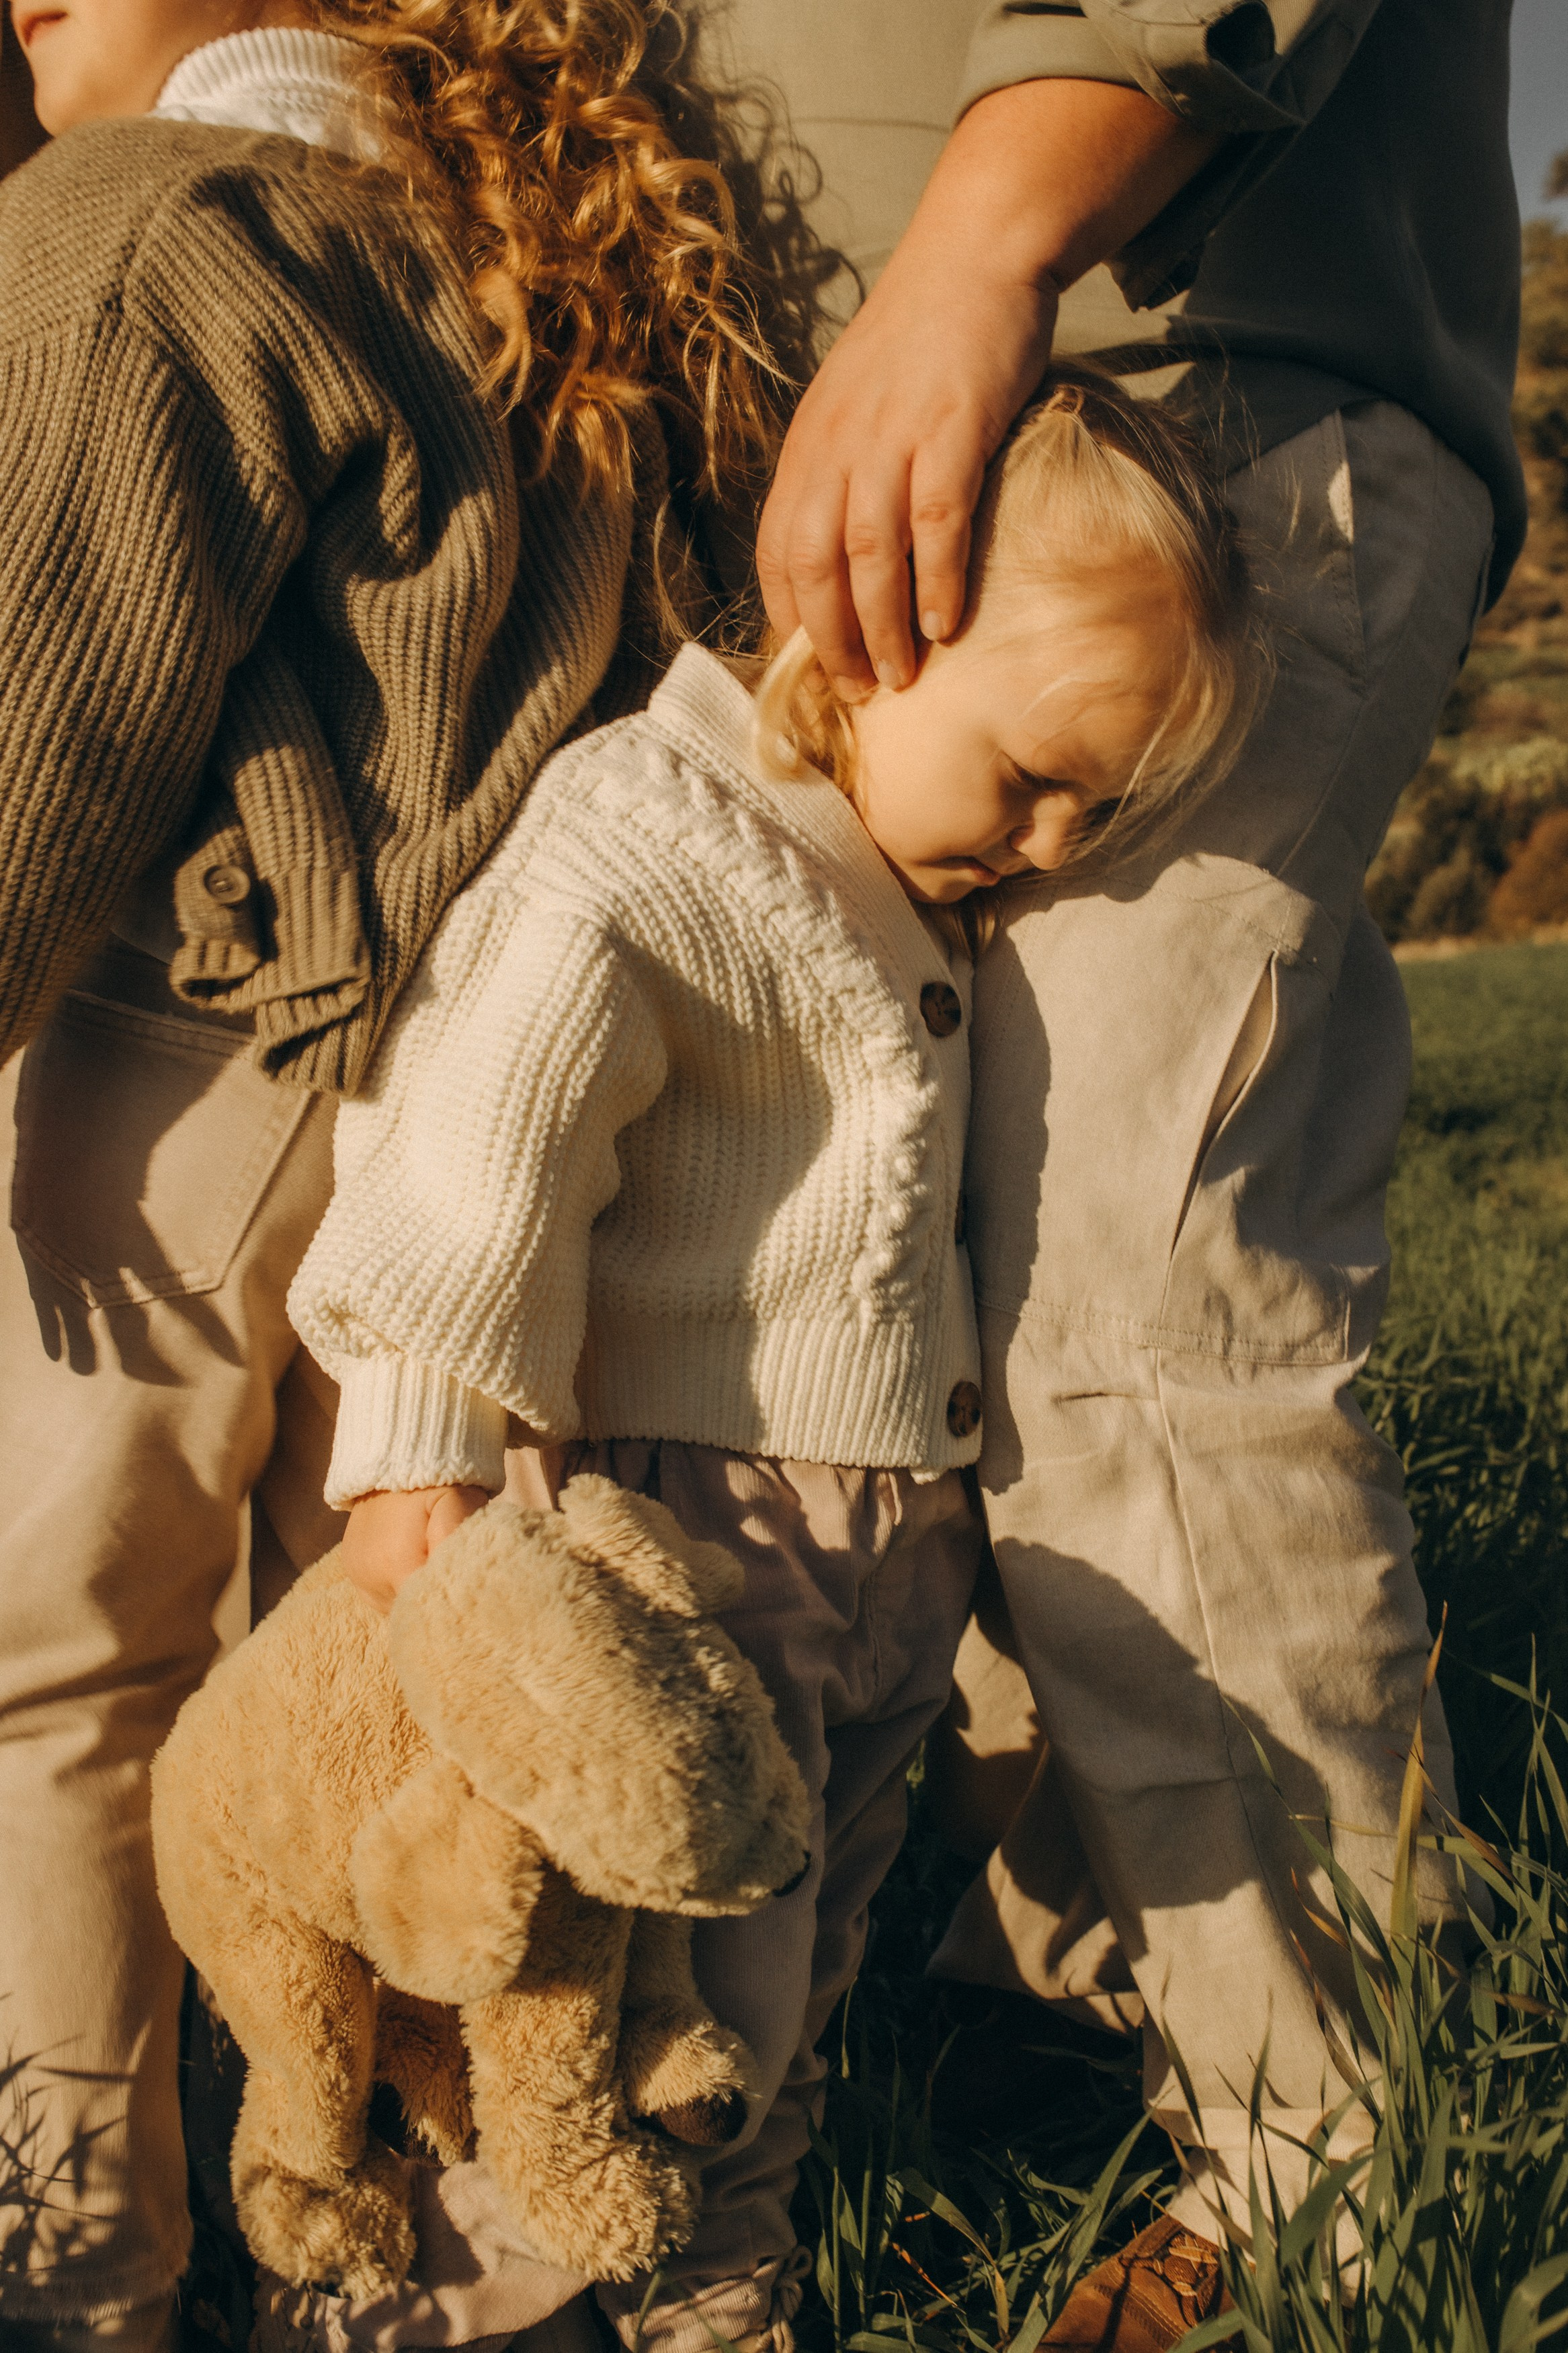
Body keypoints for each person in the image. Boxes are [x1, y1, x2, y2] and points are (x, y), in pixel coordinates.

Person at [286, 370, 1260, 2353]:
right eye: (1035, 777)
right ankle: (485, 2309)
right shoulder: (661, 837)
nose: (1055, 840)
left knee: (774, 1996)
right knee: (616, 1992)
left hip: (867, 1579)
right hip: (687, 1536)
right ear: (873, 624)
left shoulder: (910, 867)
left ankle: (721, 2274)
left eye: (1102, 807)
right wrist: (417, 1466)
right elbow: (470, 1156)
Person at [0, 2, 817, 2343]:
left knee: (60, 1680)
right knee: (393, 1721)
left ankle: (78, 2264)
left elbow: (37, 705)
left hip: (185, 1064)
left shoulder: (155, 222)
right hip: (488, 1144)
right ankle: (462, 2288)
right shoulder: (566, 262)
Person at [753, 2, 1524, 2345]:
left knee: (1130, 1330)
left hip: (1156, 377)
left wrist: (985, 242)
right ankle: (1081, 2024)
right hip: (866, 435)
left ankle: (1347, 2192)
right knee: (861, 1294)